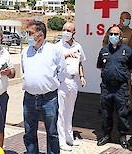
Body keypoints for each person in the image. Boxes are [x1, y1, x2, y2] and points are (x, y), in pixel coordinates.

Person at [21, 20, 66, 154]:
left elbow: (62, 72)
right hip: (29, 98)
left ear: (40, 35)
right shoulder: (25, 51)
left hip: (49, 99)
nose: (27, 36)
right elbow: (24, 71)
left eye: (30, 33)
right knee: (29, 131)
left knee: (52, 132)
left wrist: (50, 85)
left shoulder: (54, 50)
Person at [96, 25, 132, 149]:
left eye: (116, 34)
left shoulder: (128, 50)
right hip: (106, 87)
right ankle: (107, 135)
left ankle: (123, 136)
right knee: (106, 112)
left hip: (121, 88)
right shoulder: (103, 50)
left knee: (122, 113)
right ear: (108, 36)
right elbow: (100, 66)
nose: (113, 36)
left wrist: (121, 75)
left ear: (121, 37)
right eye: (111, 34)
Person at [56, 22, 87, 151]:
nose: (65, 32)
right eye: (64, 29)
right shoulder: (57, 47)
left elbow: (80, 63)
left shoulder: (78, 46)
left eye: (68, 30)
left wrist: (82, 76)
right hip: (62, 81)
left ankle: (69, 137)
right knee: (61, 112)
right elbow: (53, 61)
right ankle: (61, 140)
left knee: (70, 111)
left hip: (73, 81)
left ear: (74, 32)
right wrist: (66, 55)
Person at [102, 11, 132, 112]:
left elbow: (131, 47)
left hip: (123, 62)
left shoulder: (131, 32)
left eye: (129, 19)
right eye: (127, 19)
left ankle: (128, 106)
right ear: (121, 19)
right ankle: (107, 105)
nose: (128, 21)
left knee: (127, 84)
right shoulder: (112, 30)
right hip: (111, 61)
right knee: (108, 83)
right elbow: (104, 43)